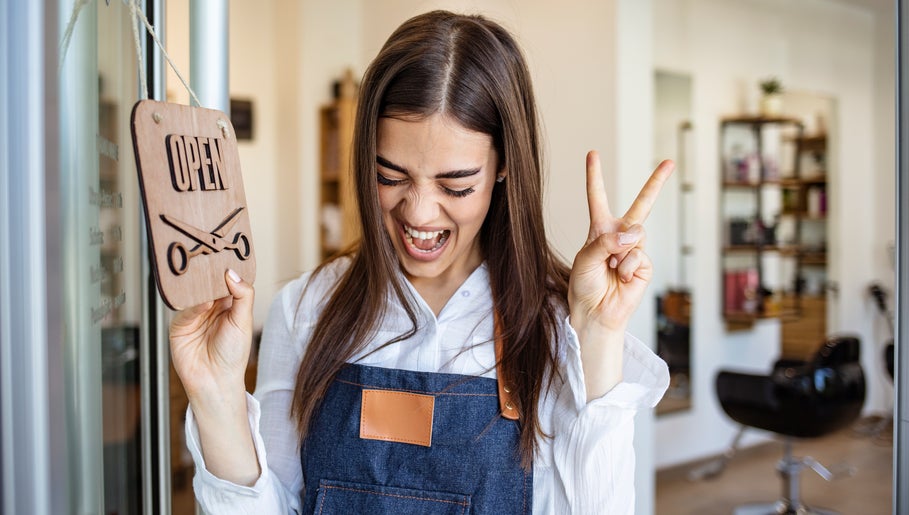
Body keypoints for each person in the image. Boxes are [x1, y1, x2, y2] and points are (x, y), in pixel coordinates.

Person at [170, 9, 673, 514]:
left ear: (504, 168)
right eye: (391, 176)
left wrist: (598, 334)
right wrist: (216, 399)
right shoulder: (306, 308)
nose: (419, 212)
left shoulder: (554, 326)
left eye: (456, 185)